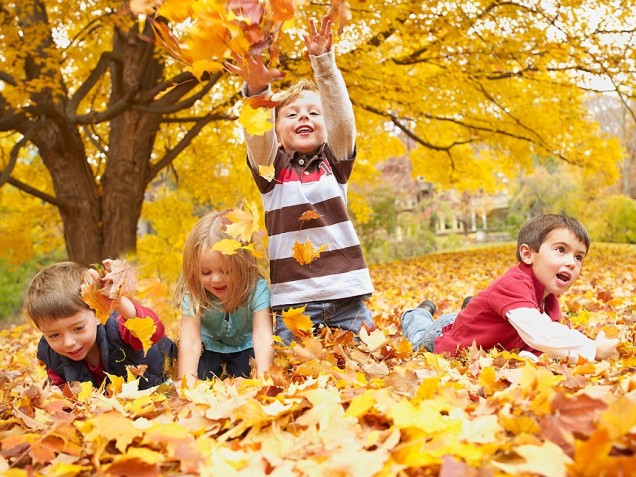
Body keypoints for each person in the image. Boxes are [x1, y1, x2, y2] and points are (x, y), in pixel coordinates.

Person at [225, 15, 375, 345]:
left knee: (370, 367)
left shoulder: (334, 162)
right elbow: (257, 134)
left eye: (313, 112)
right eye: (291, 114)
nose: (303, 117)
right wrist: (257, 92)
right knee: (294, 379)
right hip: (294, 306)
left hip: (347, 300)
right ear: (278, 133)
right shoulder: (271, 171)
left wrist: (323, 63)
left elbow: (342, 120)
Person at [401, 214, 619, 362]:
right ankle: (417, 313)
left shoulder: (549, 302)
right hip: (443, 338)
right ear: (527, 254)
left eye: (579, 257)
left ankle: (472, 308)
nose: (572, 262)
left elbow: (538, 348)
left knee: (475, 314)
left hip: (476, 328)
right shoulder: (513, 283)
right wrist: (593, 349)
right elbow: (540, 335)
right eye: (561, 250)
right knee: (419, 334)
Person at [26, 260, 174, 390]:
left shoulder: (119, 328)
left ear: (98, 313)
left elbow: (152, 332)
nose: (68, 342)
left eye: (78, 328)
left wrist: (120, 303)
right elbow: (60, 386)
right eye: (53, 335)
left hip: (170, 376)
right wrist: (57, 395)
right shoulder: (51, 354)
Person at [173, 211, 274, 384]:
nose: (216, 279)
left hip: (245, 346)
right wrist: (186, 388)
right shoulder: (193, 292)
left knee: (245, 377)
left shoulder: (257, 289)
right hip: (209, 346)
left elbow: (263, 338)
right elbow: (190, 343)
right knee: (202, 378)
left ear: (243, 265)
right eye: (206, 272)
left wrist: (265, 381)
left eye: (226, 271)